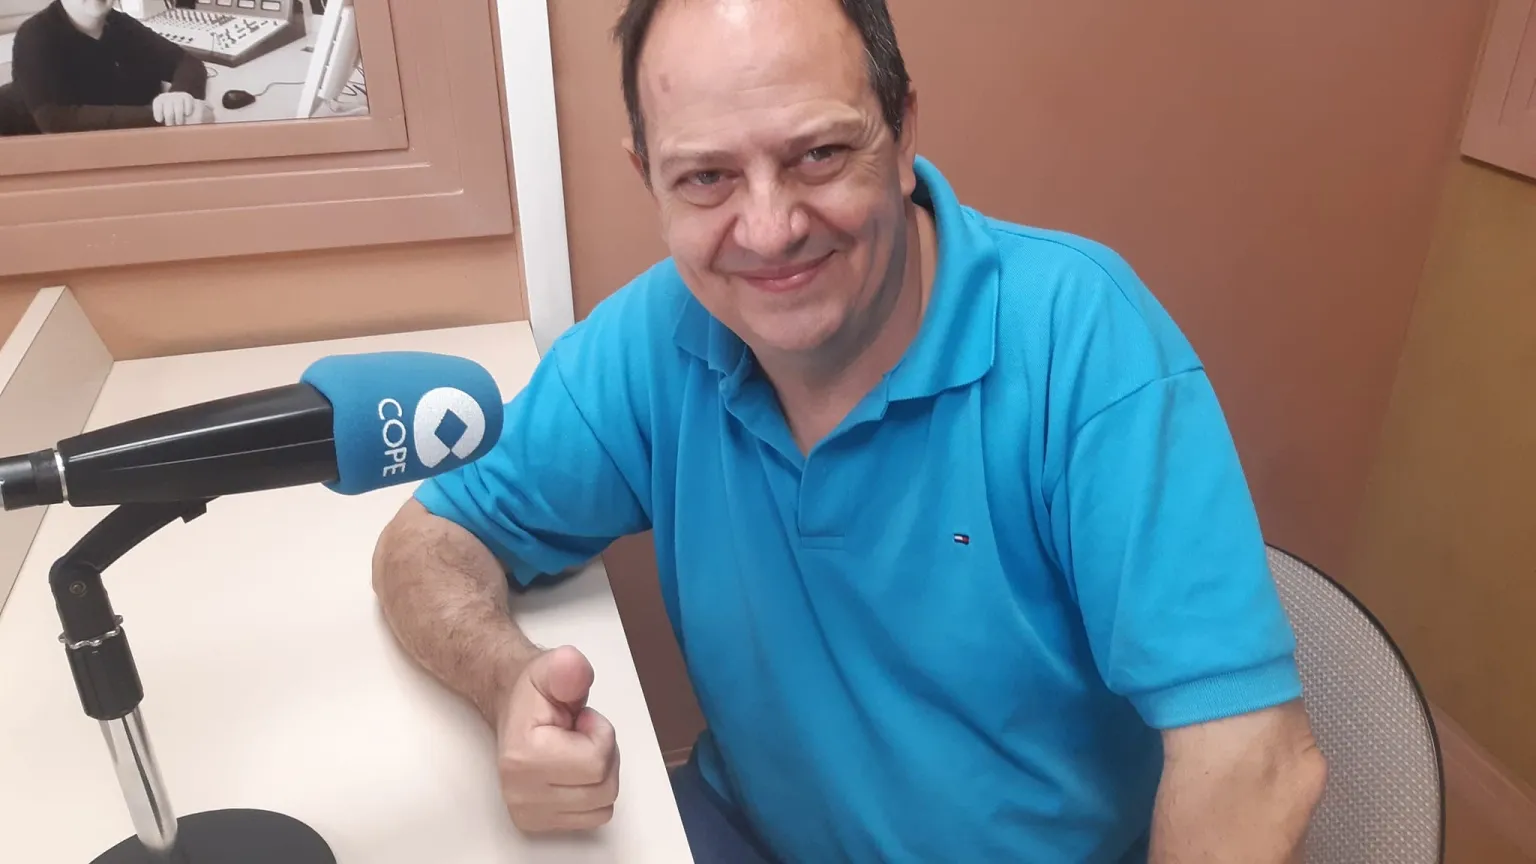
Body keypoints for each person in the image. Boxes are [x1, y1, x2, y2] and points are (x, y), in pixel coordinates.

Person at [371, 0, 1328, 860]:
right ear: (649, 178)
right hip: (746, 832)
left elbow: (1257, 760)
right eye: (706, 176)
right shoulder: (654, 338)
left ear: (902, 132)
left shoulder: (1084, 342)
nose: (769, 229)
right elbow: (429, 542)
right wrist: (507, 685)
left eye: (819, 155)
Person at [11, 0, 211, 134]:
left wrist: (180, 98)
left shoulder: (122, 25)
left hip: (135, 151)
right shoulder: (34, 36)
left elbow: (186, 61)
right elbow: (54, 119)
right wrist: (163, 116)